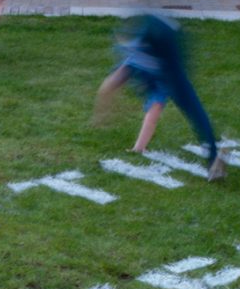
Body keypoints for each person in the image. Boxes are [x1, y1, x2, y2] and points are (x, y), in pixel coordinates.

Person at [96, 13, 228, 180]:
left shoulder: (137, 59)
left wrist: (103, 111)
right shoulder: (137, 58)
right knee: (187, 108)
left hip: (164, 55)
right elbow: (112, 84)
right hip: (162, 54)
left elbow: (111, 83)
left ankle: (213, 155)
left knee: (186, 106)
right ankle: (212, 153)